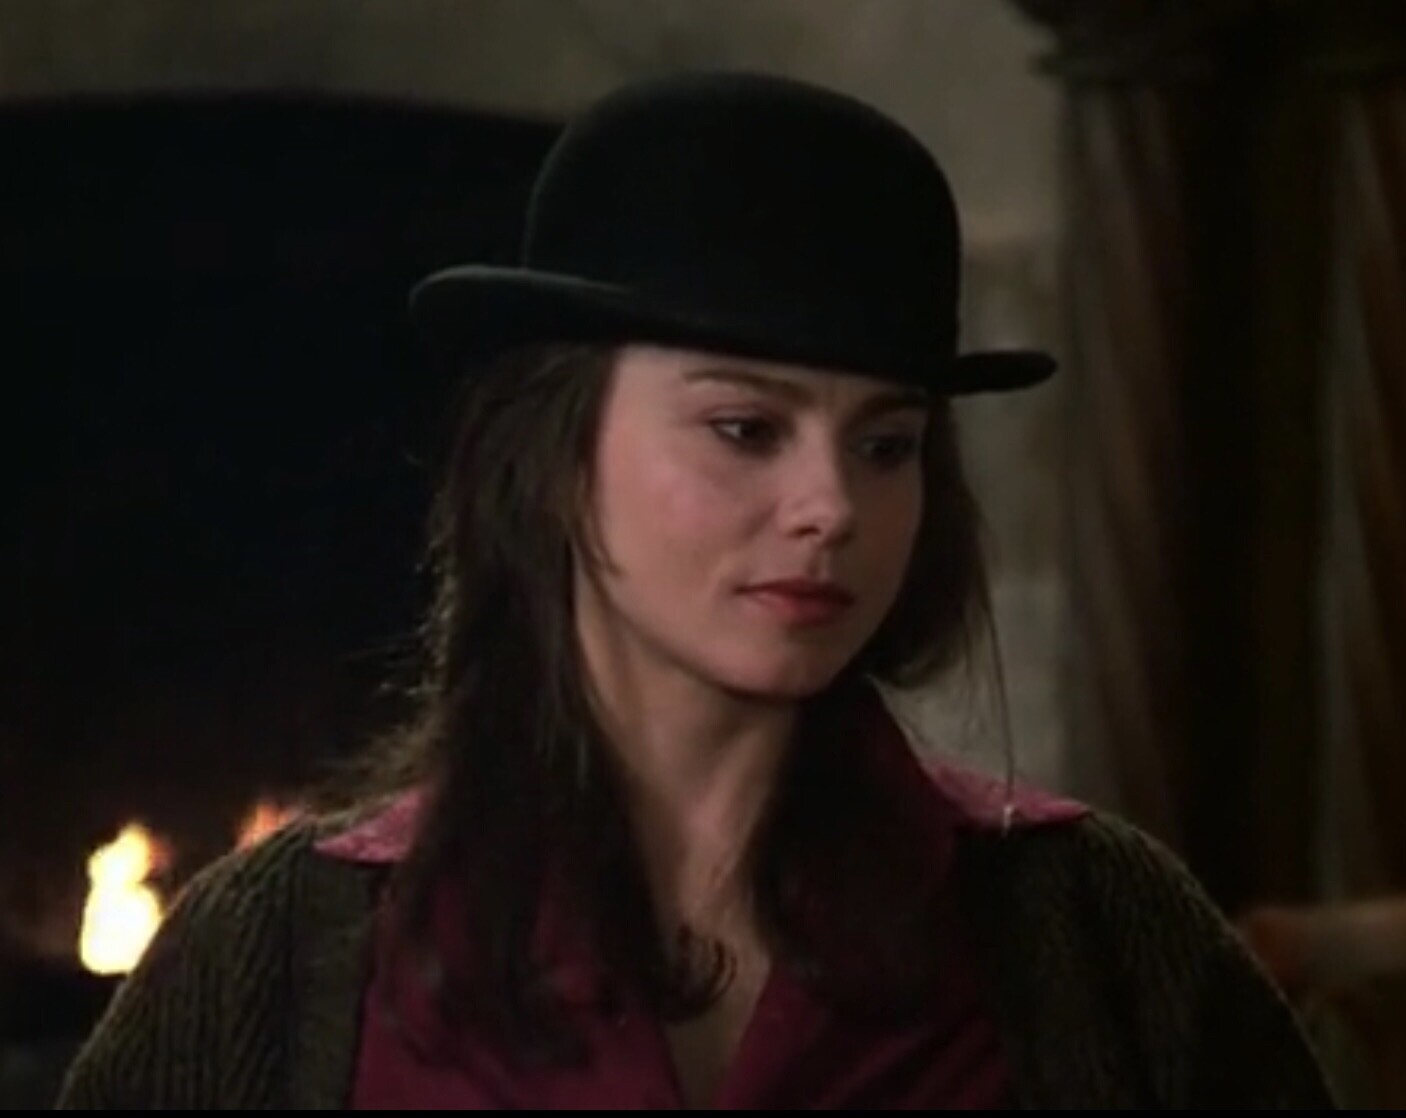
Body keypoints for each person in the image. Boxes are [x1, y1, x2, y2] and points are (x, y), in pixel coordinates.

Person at [55, 70, 1334, 1109]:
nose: (830, 504)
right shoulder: (278, 953)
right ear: (554, 461)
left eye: (885, 444)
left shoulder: (1092, 930)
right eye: (743, 428)